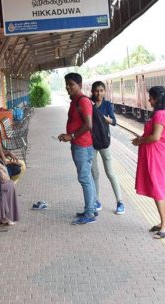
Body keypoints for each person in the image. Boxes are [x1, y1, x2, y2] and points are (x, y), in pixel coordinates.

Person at [132, 86, 165, 239]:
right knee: (159, 187)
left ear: (157, 99)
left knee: (158, 188)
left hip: (156, 154)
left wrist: (140, 140)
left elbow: (156, 137)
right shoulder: (163, 113)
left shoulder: (161, 114)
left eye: (151, 97)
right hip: (156, 153)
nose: (149, 100)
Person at [58, 72, 96, 225]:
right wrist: (67, 135)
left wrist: (72, 136)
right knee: (87, 178)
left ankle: (90, 213)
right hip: (79, 145)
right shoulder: (75, 101)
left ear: (79, 85)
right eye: (67, 84)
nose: (68, 87)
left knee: (85, 178)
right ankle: (90, 208)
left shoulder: (83, 101)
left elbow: (88, 125)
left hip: (82, 145)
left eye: (71, 84)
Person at [90, 81, 125, 215]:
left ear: (104, 91)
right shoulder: (89, 103)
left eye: (101, 90)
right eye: (96, 91)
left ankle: (120, 201)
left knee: (110, 172)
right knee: (94, 174)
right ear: (93, 92)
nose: (99, 93)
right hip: (91, 143)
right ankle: (96, 200)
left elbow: (114, 122)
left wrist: (103, 117)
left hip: (104, 141)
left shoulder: (107, 104)